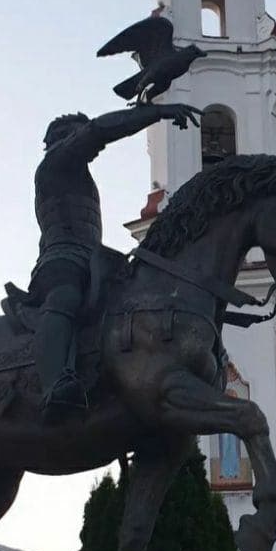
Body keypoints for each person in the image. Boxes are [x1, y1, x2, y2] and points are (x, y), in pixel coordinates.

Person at [27, 102, 199, 418]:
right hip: (61, 260)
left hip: (92, 260)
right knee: (65, 297)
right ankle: (54, 384)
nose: (87, 144)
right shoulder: (56, 163)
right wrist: (155, 113)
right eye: (79, 133)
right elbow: (99, 131)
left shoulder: (77, 173)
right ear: (64, 139)